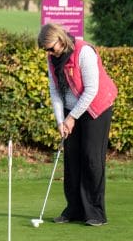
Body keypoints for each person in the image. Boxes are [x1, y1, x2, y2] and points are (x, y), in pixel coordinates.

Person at [38, 23, 118, 226]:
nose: (49, 52)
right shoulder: (52, 59)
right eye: (46, 50)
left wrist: (71, 117)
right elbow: (55, 91)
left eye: (51, 47)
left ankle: (95, 212)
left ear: (60, 39)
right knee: (72, 159)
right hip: (71, 110)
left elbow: (91, 90)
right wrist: (60, 121)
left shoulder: (84, 52)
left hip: (96, 108)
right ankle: (74, 209)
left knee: (91, 158)